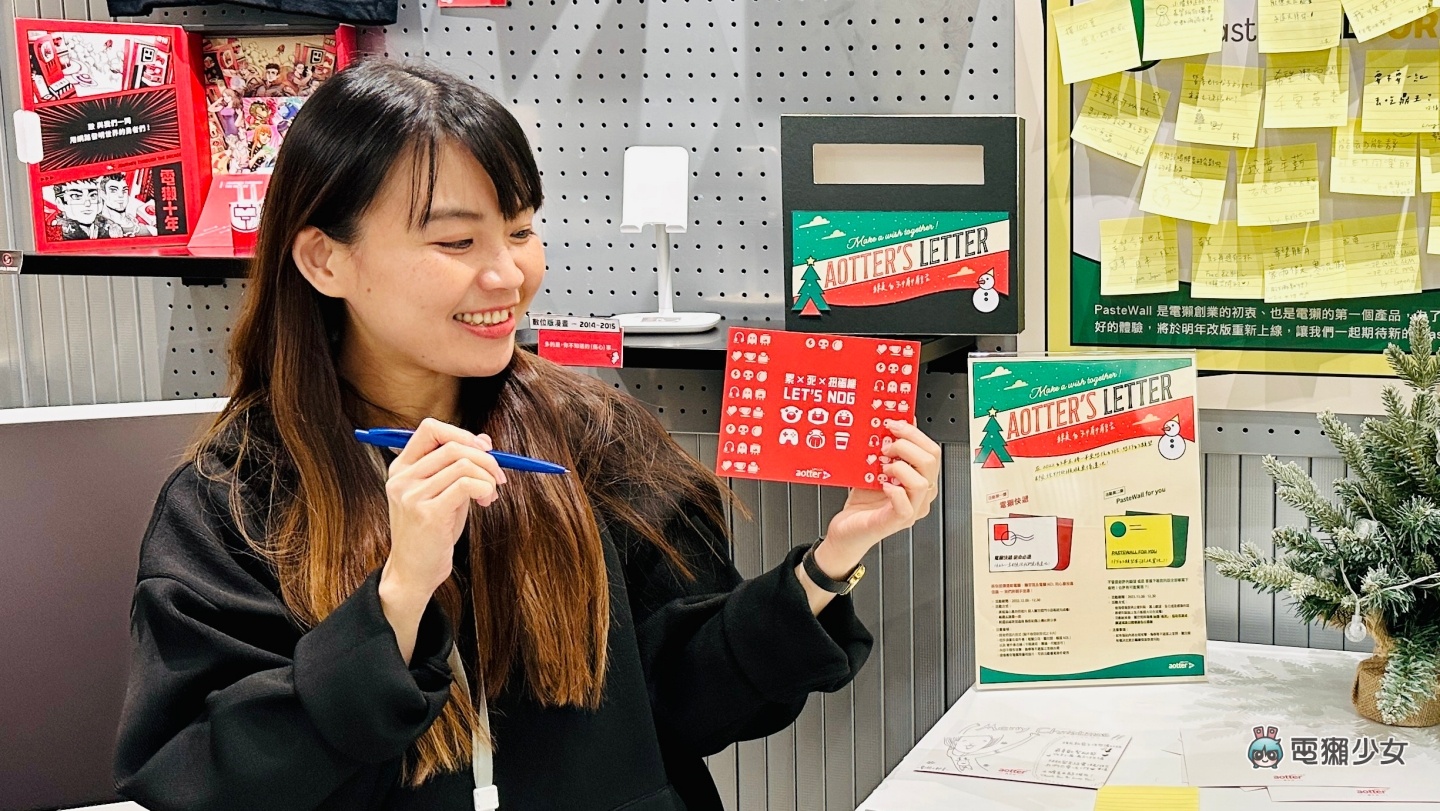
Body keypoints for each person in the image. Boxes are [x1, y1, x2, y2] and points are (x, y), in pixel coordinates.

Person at [113, 59, 941, 811]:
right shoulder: (235, 496)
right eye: (455, 241)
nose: (508, 274)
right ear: (325, 261)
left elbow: (682, 696)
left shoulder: (591, 436)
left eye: (520, 229)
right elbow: (201, 776)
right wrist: (398, 598)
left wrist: (829, 564)